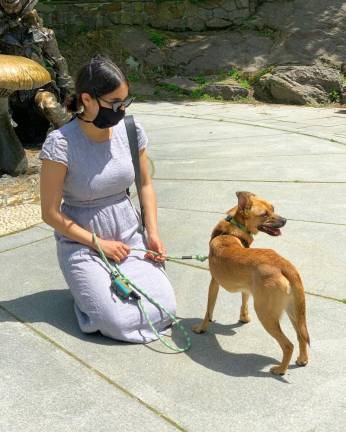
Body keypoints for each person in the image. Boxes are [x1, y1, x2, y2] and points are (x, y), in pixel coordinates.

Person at [39, 54, 176, 343]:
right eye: (115, 103)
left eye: (125, 102)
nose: (121, 110)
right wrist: (97, 243)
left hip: (129, 236)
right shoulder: (61, 143)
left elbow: (146, 185)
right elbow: (50, 213)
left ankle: (100, 289)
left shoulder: (130, 131)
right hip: (82, 242)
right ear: (87, 99)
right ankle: (87, 291)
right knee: (116, 320)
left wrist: (152, 233)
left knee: (166, 308)